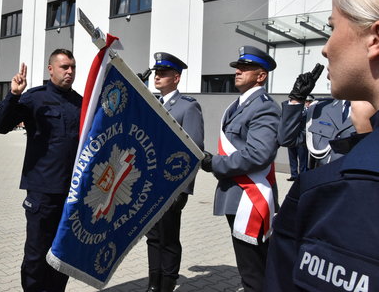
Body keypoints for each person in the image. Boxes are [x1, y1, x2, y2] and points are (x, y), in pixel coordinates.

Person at [265, 0, 379, 291]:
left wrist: (365, 131)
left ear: (373, 39)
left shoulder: (329, 188)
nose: (326, 48)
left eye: (332, 27)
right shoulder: (324, 108)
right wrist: (297, 101)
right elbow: (287, 138)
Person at [0, 48, 82, 292]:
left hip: (71, 192)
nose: (70, 72)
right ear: (51, 69)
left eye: (73, 67)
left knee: (61, 255)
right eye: (64, 67)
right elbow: (1, 126)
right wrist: (13, 94)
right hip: (42, 192)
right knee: (35, 256)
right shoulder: (35, 98)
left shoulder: (81, 102)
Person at [200, 45, 280, 292]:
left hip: (250, 198)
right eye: (237, 67)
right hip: (236, 195)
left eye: (246, 68)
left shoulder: (264, 106)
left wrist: (215, 163)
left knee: (254, 271)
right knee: (250, 267)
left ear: (261, 75)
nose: (238, 71)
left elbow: (259, 154)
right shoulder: (240, 104)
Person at [144, 52, 204, 292]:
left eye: (164, 73)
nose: (157, 76)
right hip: (150, 184)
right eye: (157, 72)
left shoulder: (188, 107)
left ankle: (167, 285)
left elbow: (195, 149)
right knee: (153, 237)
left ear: (176, 78)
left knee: (168, 238)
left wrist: (183, 187)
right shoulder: (153, 103)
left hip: (172, 185)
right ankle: (152, 285)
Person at [278, 64, 355, 170]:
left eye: (335, 59)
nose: (329, 67)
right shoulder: (321, 108)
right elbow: (287, 139)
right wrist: (296, 98)